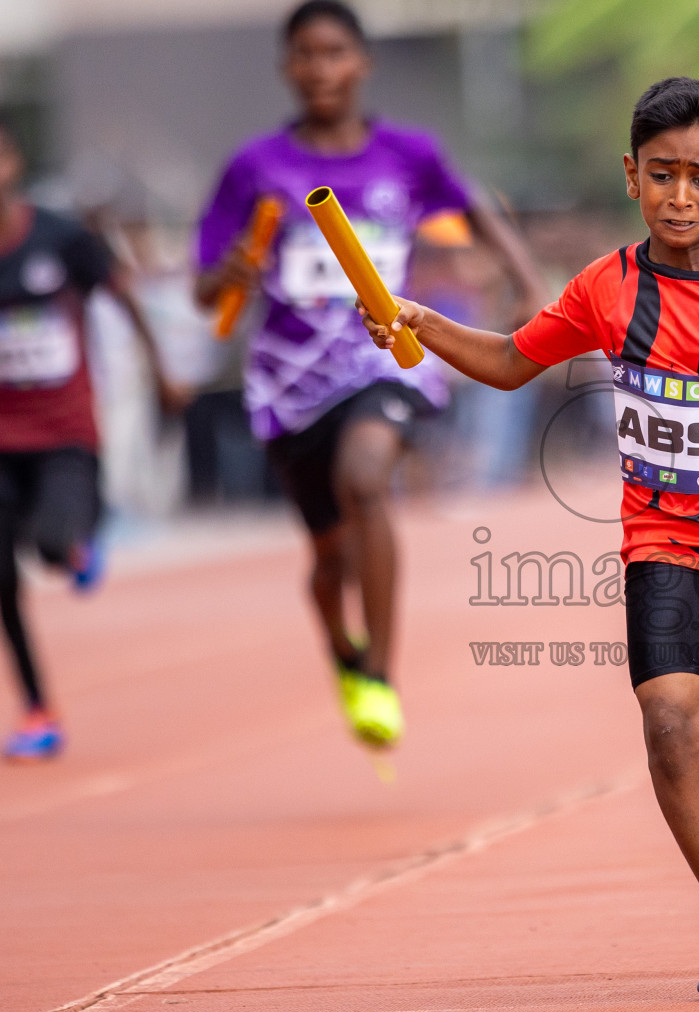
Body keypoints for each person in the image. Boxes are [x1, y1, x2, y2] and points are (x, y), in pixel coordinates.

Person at [361, 77, 699, 998]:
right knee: (669, 726)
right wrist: (423, 323)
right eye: (661, 176)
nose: (678, 197)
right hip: (662, 544)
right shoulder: (607, 288)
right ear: (630, 175)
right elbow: (508, 360)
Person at [193, 0, 547, 750]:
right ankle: (343, 649)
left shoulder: (407, 154)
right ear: (288, 67)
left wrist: (524, 280)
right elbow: (204, 292)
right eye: (306, 55)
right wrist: (229, 273)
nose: (321, 69)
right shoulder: (255, 168)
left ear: (362, 63)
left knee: (366, 477)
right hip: (289, 381)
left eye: (335, 53)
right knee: (328, 554)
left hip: (382, 353)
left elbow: (472, 202)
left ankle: (381, 674)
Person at [0, 111, 187, 761]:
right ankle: (36, 709)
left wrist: (160, 367)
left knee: (48, 543)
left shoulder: (61, 239)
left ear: (13, 166)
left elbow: (121, 294)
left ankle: (78, 542)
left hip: (66, 429)